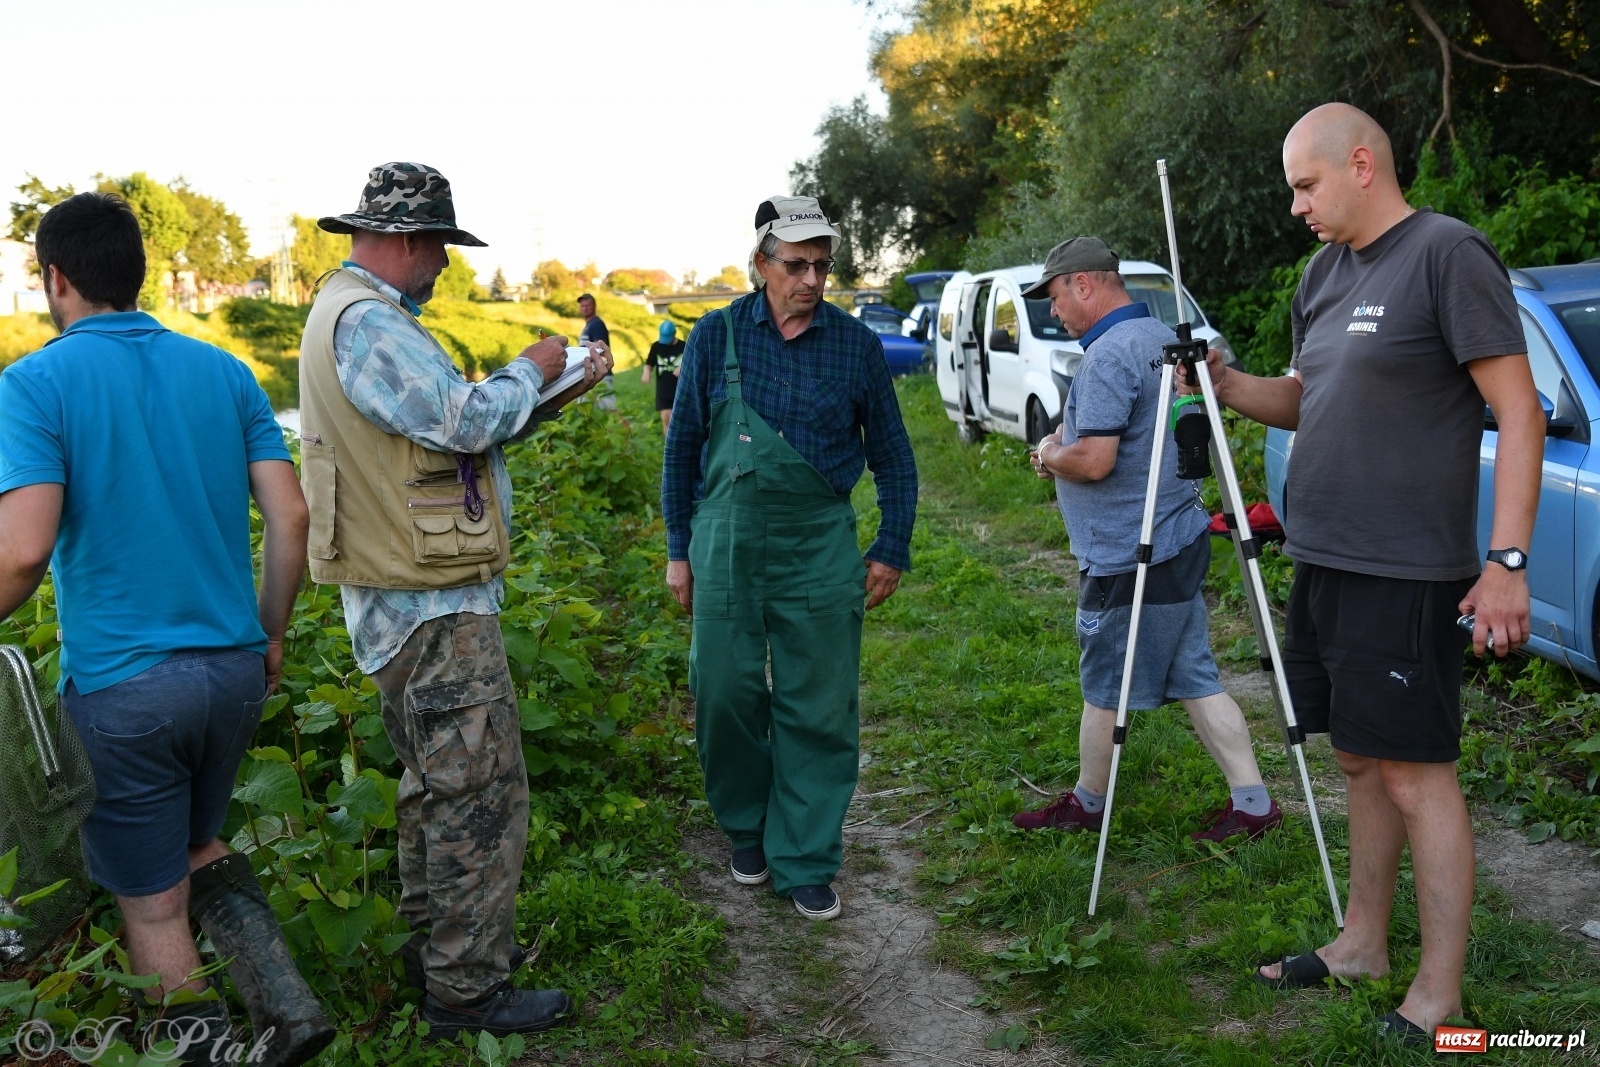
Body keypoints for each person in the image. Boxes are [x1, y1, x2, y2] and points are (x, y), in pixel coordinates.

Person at [1184, 104, 1541, 1046]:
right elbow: (1303, 399)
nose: (1297, 206)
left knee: (1418, 772)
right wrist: (1224, 383)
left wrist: (1507, 564)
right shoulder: (1322, 273)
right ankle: (1363, 944)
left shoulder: (1446, 254)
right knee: (1355, 756)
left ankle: (1440, 993)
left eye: (1306, 186)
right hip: (1325, 557)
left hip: (1408, 568)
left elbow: (1519, 409)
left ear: (1360, 164)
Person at [0, 192, 328, 1065]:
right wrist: (269, 635)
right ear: (138, 272)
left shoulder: (33, 383)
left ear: (55, 278)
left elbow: (24, 550)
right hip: (228, 674)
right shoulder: (224, 371)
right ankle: (286, 1003)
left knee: (152, 903)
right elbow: (290, 517)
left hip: (125, 688)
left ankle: (195, 1054)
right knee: (192, 841)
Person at [298, 163, 612, 1039]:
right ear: (407, 241)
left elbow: (444, 432)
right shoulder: (370, 323)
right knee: (479, 791)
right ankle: (467, 991)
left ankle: (431, 958)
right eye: (438, 249)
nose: (442, 268)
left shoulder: (350, 315)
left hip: (406, 604)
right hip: (428, 610)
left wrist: (555, 389)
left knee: (433, 787)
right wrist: (531, 363)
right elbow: (467, 421)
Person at [662, 195, 918, 921]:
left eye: (822, 266)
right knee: (723, 688)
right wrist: (678, 551)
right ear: (761, 264)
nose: (811, 279)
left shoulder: (854, 345)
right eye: (797, 265)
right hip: (726, 537)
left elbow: (894, 456)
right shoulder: (715, 337)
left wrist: (890, 545)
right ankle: (748, 824)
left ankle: (804, 853)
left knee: (818, 701)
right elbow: (681, 450)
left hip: (818, 540)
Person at [1010, 237, 1281, 843]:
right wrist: (1067, 444)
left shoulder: (1107, 356)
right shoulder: (1165, 340)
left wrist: (1052, 452)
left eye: (1054, 297)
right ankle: (1255, 804)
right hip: (1179, 537)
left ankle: (1087, 803)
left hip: (1128, 554)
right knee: (1194, 676)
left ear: (1084, 284)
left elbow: (1097, 460)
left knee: (1104, 683)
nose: (1054, 312)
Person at [641, 319, 685, 432]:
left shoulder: (684, 346)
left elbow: (694, 364)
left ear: (674, 334)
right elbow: (649, 364)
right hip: (663, 388)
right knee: (665, 418)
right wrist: (646, 372)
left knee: (680, 419)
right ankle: (669, 446)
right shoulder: (657, 347)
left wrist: (683, 368)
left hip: (680, 389)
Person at [577, 292, 617, 410]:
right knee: (588, 411)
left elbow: (599, 348)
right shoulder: (589, 325)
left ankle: (626, 428)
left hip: (600, 374)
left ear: (594, 306)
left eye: (588, 305)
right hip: (592, 374)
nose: (585, 308)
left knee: (611, 410)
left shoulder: (597, 324)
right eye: (582, 306)